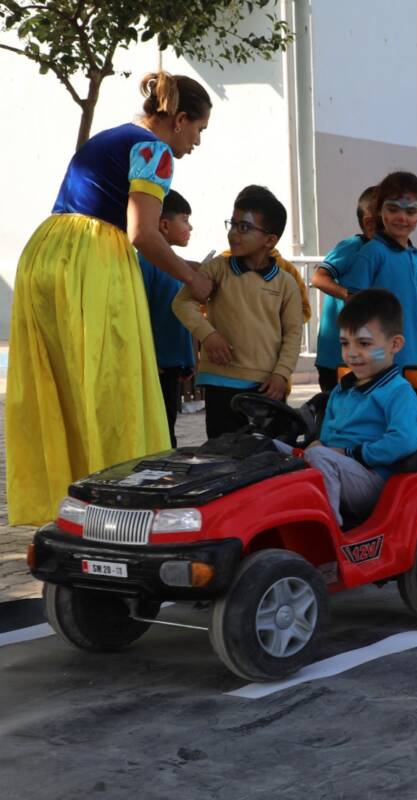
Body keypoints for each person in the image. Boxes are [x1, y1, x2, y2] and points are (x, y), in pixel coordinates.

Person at [5, 71, 214, 525]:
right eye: (199, 129)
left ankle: (66, 498)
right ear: (180, 120)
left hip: (47, 252)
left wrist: (183, 264)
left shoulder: (111, 136)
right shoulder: (156, 151)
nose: (197, 142)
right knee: (111, 384)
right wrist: (192, 280)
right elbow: (143, 233)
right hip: (92, 260)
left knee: (64, 385)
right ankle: (117, 504)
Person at [277, 289, 417, 527]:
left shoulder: (398, 392)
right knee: (268, 446)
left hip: (373, 481)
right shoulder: (341, 390)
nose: (352, 353)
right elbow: (327, 439)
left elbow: (404, 441)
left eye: (364, 343)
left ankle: (326, 531)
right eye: (345, 343)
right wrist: (317, 444)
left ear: (395, 344)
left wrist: (349, 453)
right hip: (333, 467)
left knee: (319, 457)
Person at [173, 185, 303, 439]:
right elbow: (182, 302)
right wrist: (208, 335)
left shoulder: (286, 283)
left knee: (267, 453)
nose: (233, 233)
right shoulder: (216, 269)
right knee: (223, 454)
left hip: (267, 386)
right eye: (232, 224)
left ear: (269, 240)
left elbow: (293, 333)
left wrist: (281, 374)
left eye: (244, 227)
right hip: (220, 382)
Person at [338, 172, 417, 370]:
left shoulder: (415, 255)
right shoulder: (371, 253)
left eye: (411, 211)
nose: (402, 217)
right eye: (393, 209)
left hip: (414, 358)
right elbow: (354, 308)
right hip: (381, 364)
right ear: (379, 209)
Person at [138, 189, 196, 448]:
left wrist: (186, 360)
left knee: (168, 426)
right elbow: (141, 314)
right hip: (155, 365)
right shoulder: (147, 262)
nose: (190, 227)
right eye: (185, 220)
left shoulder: (173, 263)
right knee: (159, 434)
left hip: (171, 364)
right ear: (163, 225)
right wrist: (150, 357)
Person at [311, 186, 377, 391]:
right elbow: (318, 278)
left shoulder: (391, 254)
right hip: (336, 358)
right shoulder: (351, 247)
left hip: (369, 355)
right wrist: (349, 296)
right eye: (391, 213)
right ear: (370, 223)